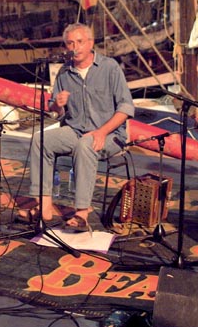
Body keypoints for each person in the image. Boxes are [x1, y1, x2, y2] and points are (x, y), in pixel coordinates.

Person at [17, 23, 135, 231]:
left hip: (110, 134)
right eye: (70, 43)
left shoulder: (110, 68)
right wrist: (57, 105)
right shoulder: (64, 72)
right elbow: (57, 113)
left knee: (85, 144)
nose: (75, 47)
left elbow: (125, 108)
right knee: (40, 140)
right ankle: (44, 207)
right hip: (76, 130)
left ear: (90, 43)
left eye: (80, 42)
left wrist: (102, 132)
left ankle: (82, 213)